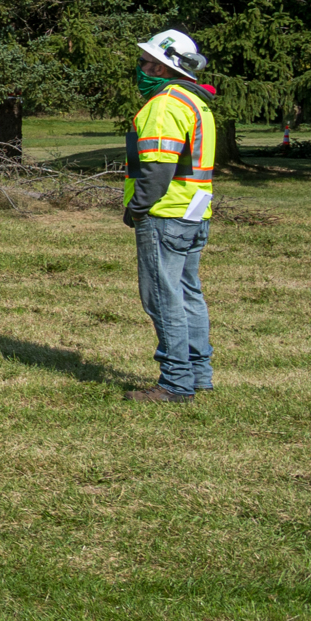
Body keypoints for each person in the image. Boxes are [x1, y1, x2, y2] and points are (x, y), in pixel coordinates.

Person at [124, 29, 218, 403]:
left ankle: (175, 383)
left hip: (166, 215)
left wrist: (138, 207)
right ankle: (199, 375)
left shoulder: (164, 105)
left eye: (147, 63)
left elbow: (158, 166)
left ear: (166, 68)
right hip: (194, 213)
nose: (141, 69)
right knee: (188, 294)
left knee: (163, 297)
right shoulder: (197, 102)